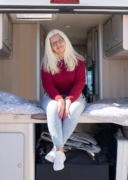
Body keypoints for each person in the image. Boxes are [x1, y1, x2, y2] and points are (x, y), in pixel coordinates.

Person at [41, 29, 86, 171]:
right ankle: (60, 151)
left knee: (72, 111)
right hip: (52, 96)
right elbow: (47, 84)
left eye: (60, 40)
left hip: (76, 95)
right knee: (54, 108)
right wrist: (60, 99)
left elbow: (80, 83)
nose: (58, 44)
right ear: (50, 47)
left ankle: (57, 150)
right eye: (54, 43)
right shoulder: (46, 63)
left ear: (65, 40)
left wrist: (69, 100)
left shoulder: (78, 60)